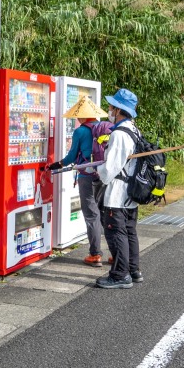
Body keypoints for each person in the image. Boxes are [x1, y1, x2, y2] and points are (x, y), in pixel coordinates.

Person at [48, 96, 109, 267]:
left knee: (91, 214)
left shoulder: (80, 131)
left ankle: (95, 254)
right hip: (104, 175)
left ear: (81, 116)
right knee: (105, 214)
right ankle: (115, 254)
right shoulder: (104, 128)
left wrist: (56, 165)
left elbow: (71, 157)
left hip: (87, 177)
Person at [94, 88, 143, 289]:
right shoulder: (134, 130)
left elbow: (110, 169)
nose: (109, 110)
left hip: (117, 193)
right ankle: (133, 270)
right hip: (131, 192)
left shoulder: (119, 135)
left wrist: (97, 169)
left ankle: (120, 275)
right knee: (130, 231)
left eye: (112, 106)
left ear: (119, 110)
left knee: (116, 232)